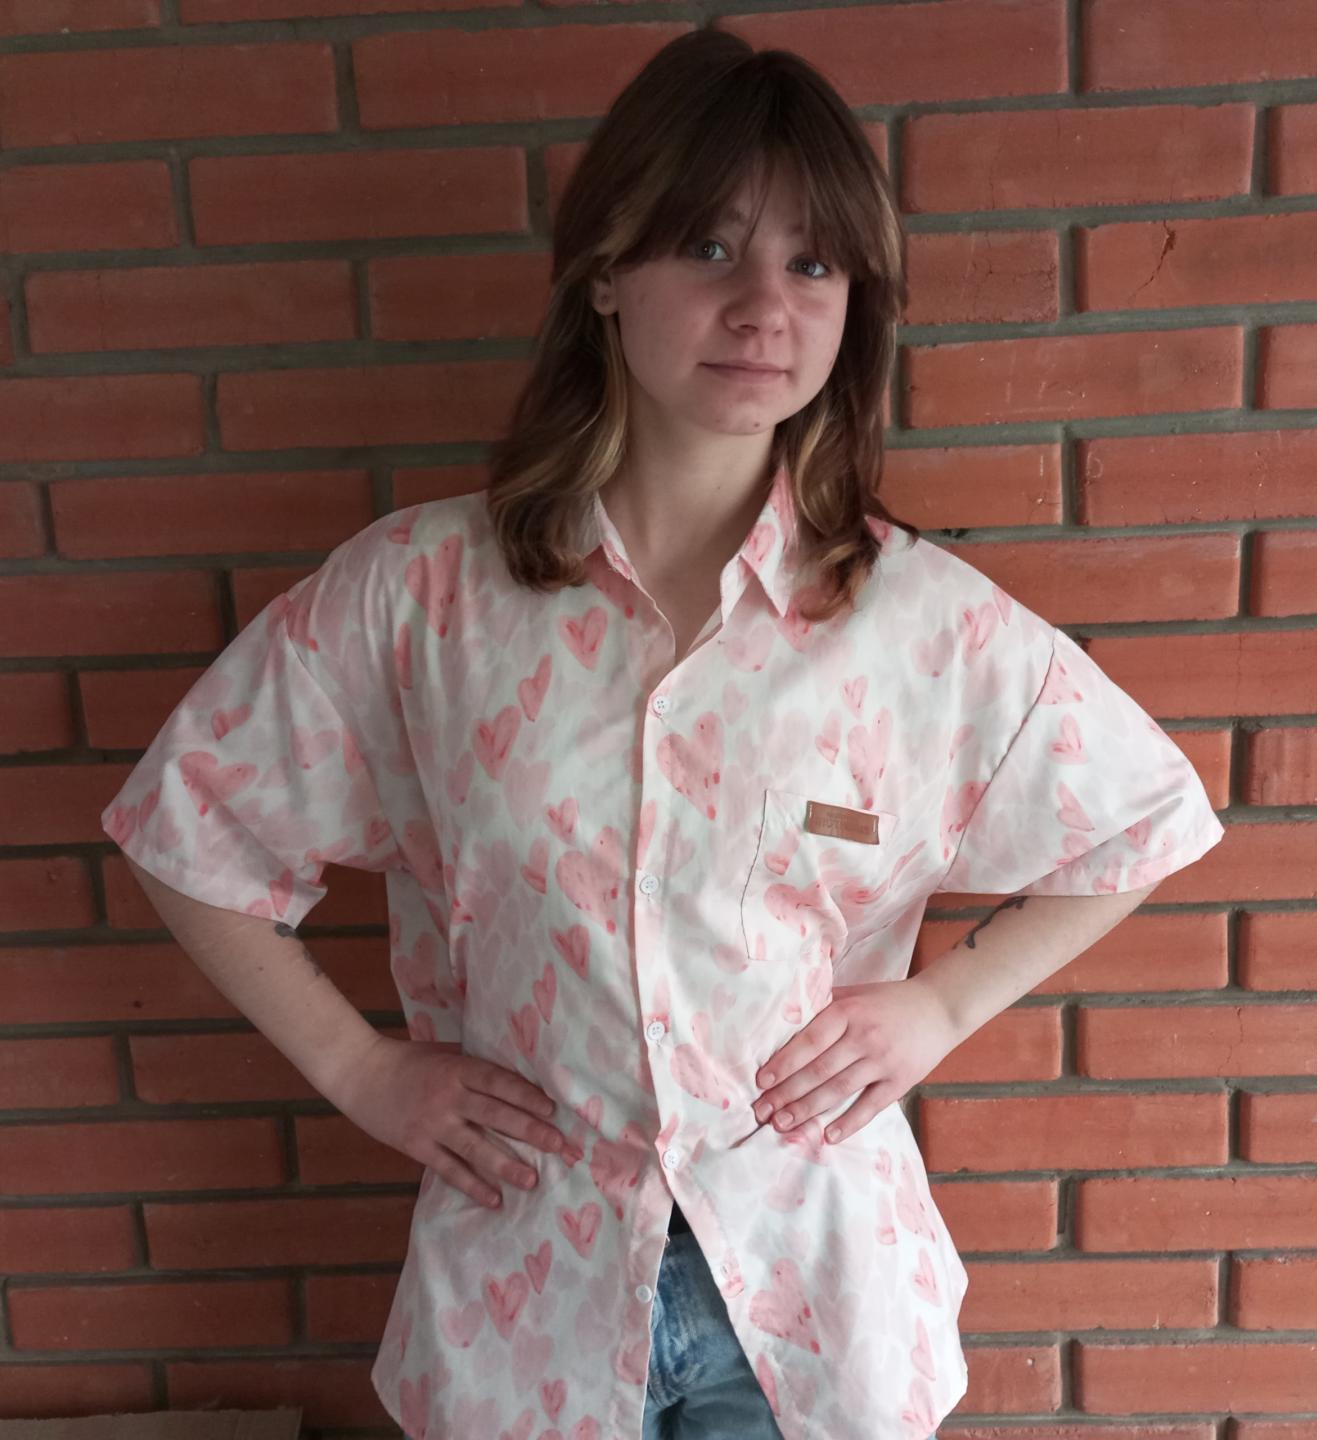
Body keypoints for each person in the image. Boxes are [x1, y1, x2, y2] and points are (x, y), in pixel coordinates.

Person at [100, 24, 1225, 1440]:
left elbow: (1140, 819)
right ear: (604, 273)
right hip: (531, 1285)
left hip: (808, 1294)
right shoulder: (422, 599)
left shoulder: (916, 626)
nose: (763, 306)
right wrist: (359, 1070)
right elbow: (188, 825)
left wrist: (940, 1007)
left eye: (813, 264)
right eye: (708, 247)